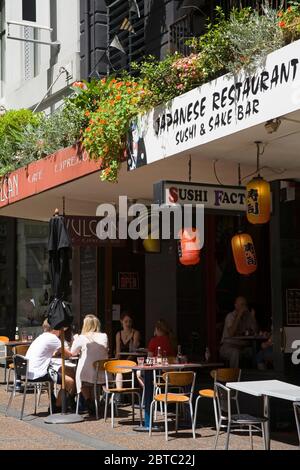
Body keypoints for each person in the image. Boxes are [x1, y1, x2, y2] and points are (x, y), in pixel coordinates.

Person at [25, 324, 75, 410]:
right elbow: (68, 355)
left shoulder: (41, 337)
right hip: (39, 373)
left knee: (68, 372)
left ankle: (56, 402)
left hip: (29, 372)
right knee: (70, 381)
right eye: (61, 329)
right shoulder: (53, 338)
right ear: (56, 329)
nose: (61, 332)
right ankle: (58, 406)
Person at [71, 314, 108, 415]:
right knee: (92, 383)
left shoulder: (82, 337)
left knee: (81, 379)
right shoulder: (104, 336)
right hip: (102, 372)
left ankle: (88, 401)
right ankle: (94, 403)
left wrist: (75, 339)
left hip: (87, 372)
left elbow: (73, 352)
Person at [219, 296, 258, 368]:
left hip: (242, 347)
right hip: (228, 346)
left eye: (245, 305)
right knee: (235, 353)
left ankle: (252, 376)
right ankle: (234, 377)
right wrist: (239, 315)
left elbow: (255, 332)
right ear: (236, 305)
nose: (244, 307)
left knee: (254, 352)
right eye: (242, 304)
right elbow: (231, 333)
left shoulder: (247, 317)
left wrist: (253, 318)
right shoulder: (230, 316)